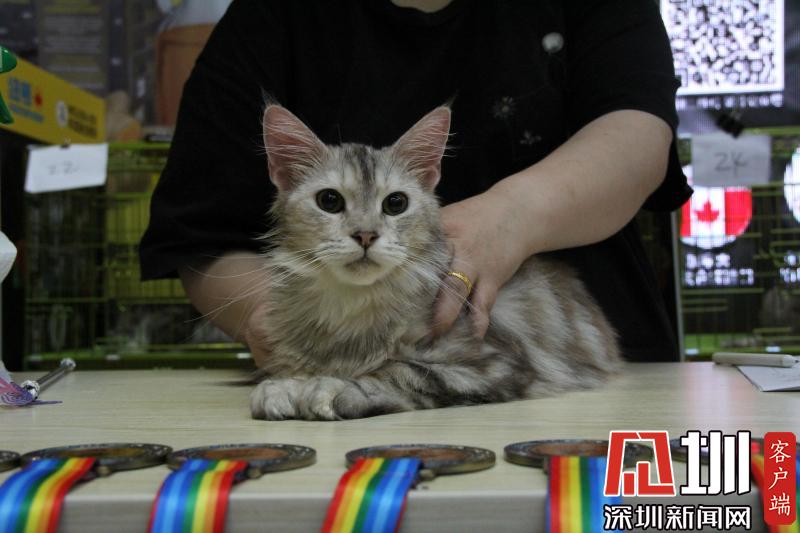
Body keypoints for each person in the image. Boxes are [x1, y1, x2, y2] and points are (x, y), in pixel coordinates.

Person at [140, 0, 692, 366]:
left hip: (582, 364)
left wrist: (512, 217)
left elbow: (639, 135)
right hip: (329, 382)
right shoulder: (270, 16)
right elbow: (199, 231)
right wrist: (278, 324)